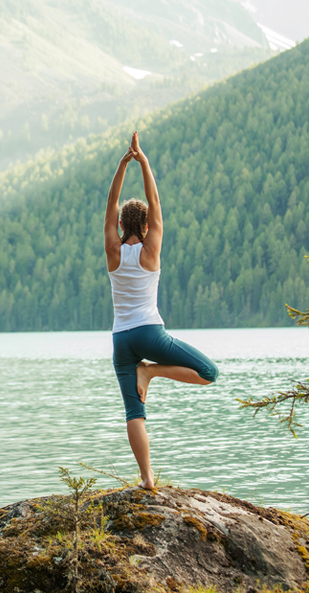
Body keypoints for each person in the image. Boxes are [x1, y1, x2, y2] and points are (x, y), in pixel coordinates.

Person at [104, 131, 219, 490]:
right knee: (208, 372)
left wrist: (122, 164)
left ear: (122, 226)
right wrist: (145, 162)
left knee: (133, 413)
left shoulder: (113, 250)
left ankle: (147, 478)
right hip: (150, 333)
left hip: (121, 340)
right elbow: (154, 200)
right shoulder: (151, 248)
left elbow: (111, 203)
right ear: (149, 225)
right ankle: (151, 373)